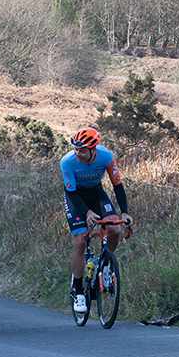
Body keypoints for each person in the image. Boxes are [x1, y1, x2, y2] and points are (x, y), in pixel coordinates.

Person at [61, 127, 130, 315]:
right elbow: (71, 192)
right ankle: (77, 289)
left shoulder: (106, 157)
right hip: (76, 198)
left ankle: (105, 264)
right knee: (80, 241)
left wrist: (124, 212)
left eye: (82, 150)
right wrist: (87, 212)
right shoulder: (67, 162)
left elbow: (118, 185)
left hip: (96, 193)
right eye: (75, 149)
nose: (78, 153)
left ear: (93, 149)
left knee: (115, 229)